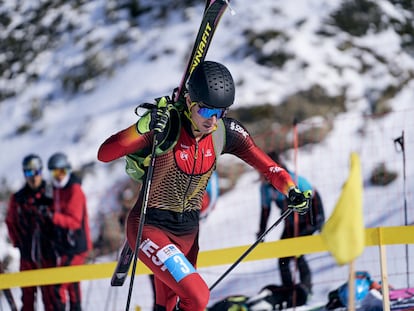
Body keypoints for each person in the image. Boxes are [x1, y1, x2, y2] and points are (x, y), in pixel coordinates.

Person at [97, 60, 312, 311]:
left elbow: (269, 167)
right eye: (207, 111)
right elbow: (105, 153)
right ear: (189, 103)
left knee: (169, 304)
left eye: (221, 112)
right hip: (150, 227)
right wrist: (141, 127)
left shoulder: (225, 132)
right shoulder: (167, 127)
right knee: (198, 297)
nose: (213, 120)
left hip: (188, 232)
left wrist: (290, 190)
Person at [257, 151, 325, 295]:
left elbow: (314, 196)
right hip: (290, 224)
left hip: (307, 221)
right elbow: (265, 211)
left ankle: (307, 290)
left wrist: (319, 220)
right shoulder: (265, 189)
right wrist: (261, 232)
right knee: (283, 258)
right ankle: (288, 292)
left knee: (297, 253)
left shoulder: (293, 179)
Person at [5, 154, 56, 311]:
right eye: (28, 173)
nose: (33, 177)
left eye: (36, 172)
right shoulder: (18, 198)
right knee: (27, 297)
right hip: (27, 255)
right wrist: (18, 242)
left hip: (48, 254)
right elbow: (10, 221)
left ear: (41, 172)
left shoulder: (51, 194)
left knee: (51, 298)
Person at [46, 152, 92, 311]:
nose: (58, 176)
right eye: (54, 172)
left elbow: (74, 221)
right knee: (72, 285)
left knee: (59, 285)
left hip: (76, 246)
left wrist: (53, 217)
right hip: (66, 245)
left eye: (62, 171)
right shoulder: (57, 189)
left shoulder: (74, 190)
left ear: (67, 170)